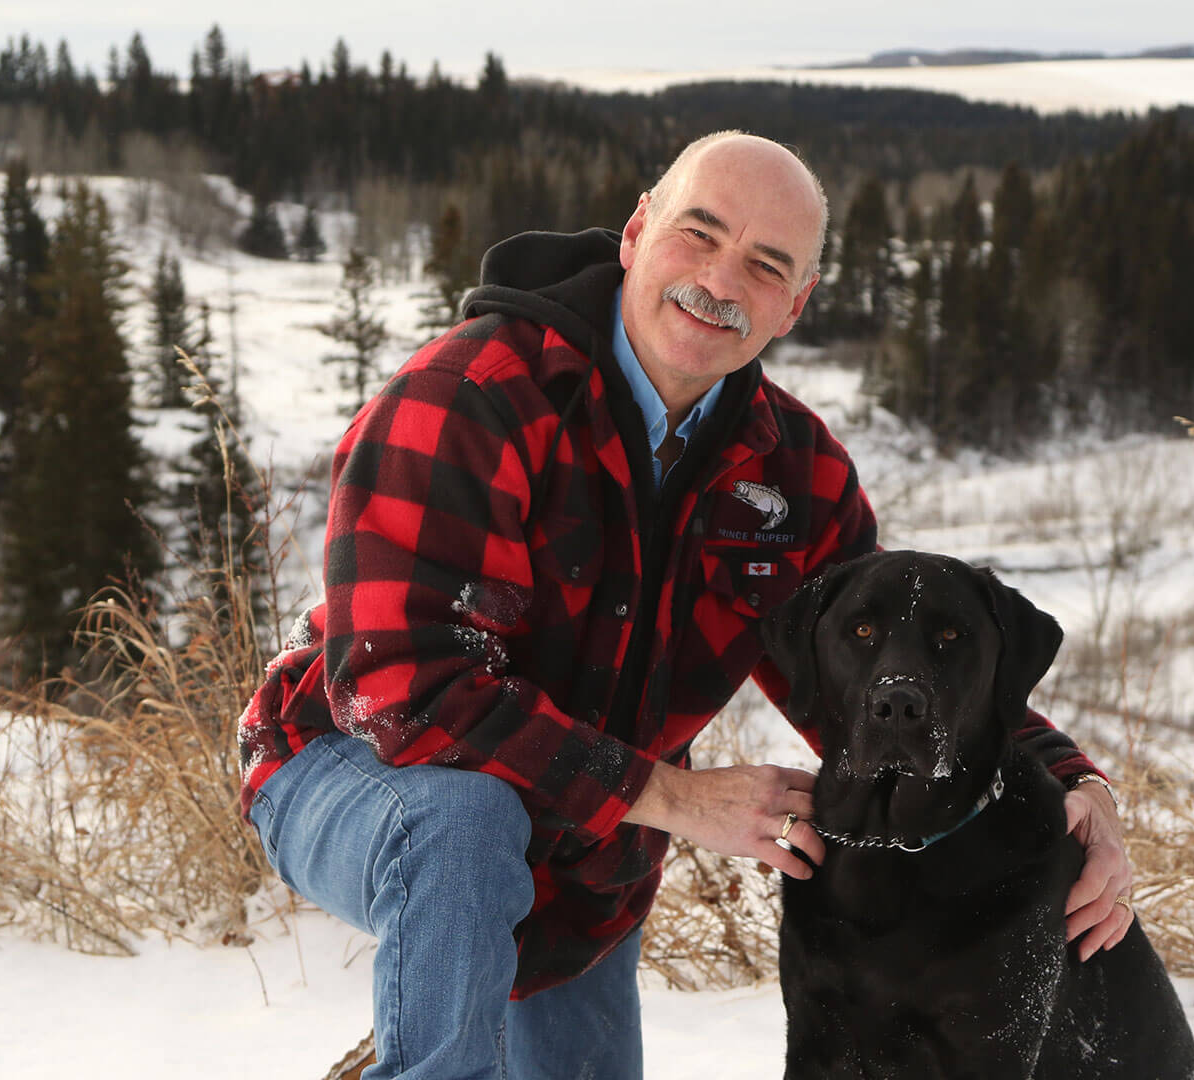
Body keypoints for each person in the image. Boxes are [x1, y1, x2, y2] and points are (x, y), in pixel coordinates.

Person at [238, 131, 1135, 1079]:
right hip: (349, 766)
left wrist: (1079, 787)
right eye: (698, 234)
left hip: (588, 848)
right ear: (635, 231)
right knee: (467, 828)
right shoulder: (474, 396)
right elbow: (400, 691)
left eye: (765, 264)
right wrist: (670, 798)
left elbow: (883, 672)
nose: (719, 280)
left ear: (796, 304)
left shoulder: (795, 477)